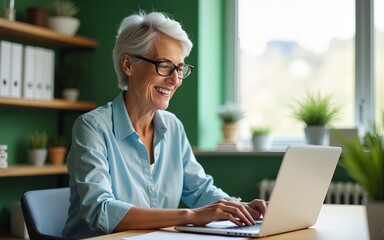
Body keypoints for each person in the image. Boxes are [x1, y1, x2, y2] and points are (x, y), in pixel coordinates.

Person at [63, 11, 267, 239]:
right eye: (164, 65)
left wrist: (239, 207)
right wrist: (191, 216)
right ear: (128, 64)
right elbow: (101, 211)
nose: (175, 79)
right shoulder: (92, 127)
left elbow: (199, 189)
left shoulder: (173, 127)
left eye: (179, 68)